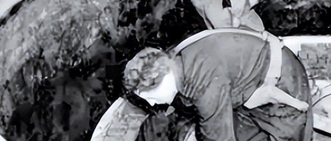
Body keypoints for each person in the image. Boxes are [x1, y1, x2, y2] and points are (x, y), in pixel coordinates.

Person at [122, 30, 312, 141]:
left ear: (162, 77)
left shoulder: (203, 83)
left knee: (287, 135)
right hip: (246, 86)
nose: (153, 104)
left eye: (151, 96)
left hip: (282, 79)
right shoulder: (174, 61)